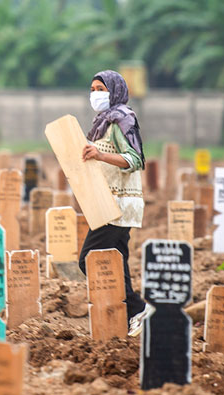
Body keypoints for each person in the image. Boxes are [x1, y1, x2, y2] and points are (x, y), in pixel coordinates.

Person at [78, 69, 153, 337]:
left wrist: (99, 156)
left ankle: (137, 308)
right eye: (92, 89)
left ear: (115, 91)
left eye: (101, 89)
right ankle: (129, 315)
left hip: (119, 205)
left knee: (89, 259)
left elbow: (135, 160)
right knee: (115, 261)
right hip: (104, 202)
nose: (95, 94)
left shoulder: (124, 119)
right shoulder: (103, 122)